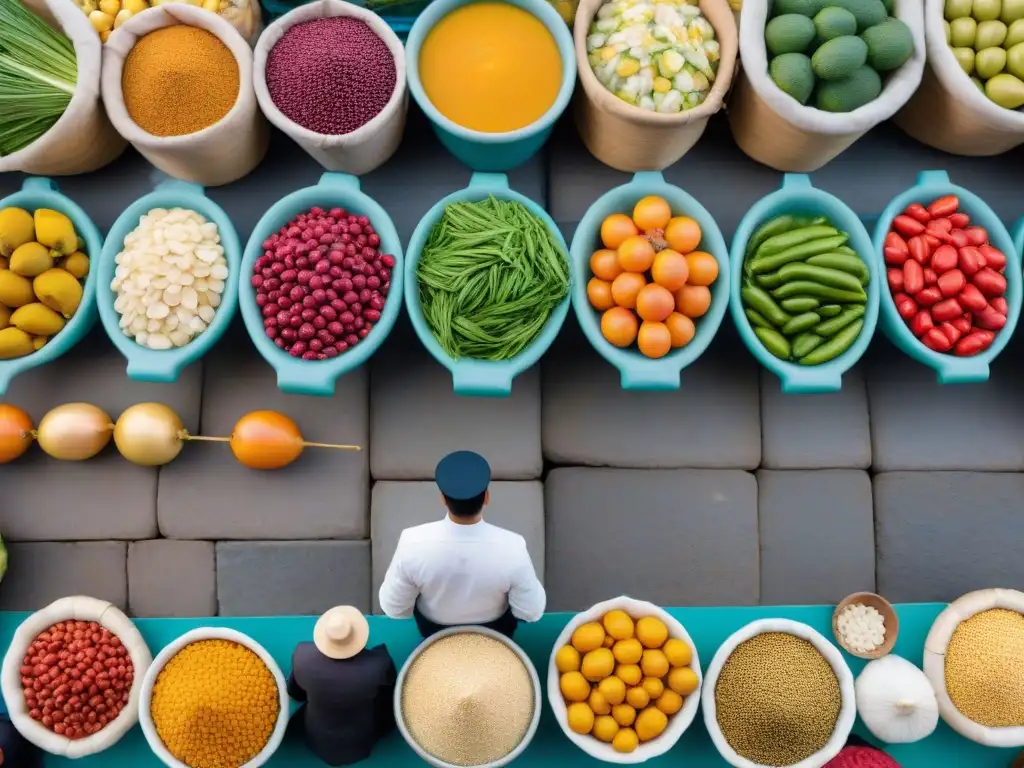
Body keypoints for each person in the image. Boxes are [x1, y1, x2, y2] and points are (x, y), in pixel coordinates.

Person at [378, 450, 546, 639]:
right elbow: (531, 612)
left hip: (433, 637)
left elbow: (394, 609)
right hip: (496, 638)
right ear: (487, 498)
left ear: (443, 499)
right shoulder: (513, 546)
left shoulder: (411, 541)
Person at [286, 605, 396, 766]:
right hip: (360, 737)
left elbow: (294, 692)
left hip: (317, 735)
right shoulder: (378, 664)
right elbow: (391, 686)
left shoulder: (302, 655)